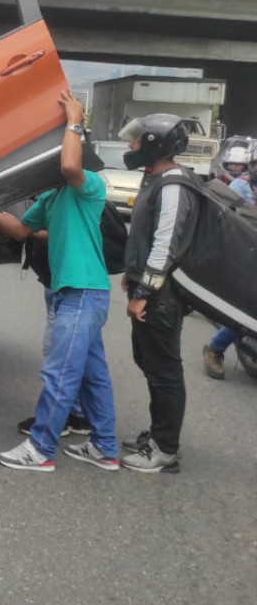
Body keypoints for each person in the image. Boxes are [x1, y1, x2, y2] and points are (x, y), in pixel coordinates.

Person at [0, 91, 119, 472]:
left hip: (84, 291)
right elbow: (18, 230)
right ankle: (105, 448)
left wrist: (73, 121)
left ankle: (41, 449)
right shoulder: (51, 196)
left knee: (61, 372)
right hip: (73, 293)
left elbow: (69, 167)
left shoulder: (90, 184)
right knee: (93, 378)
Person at [118, 113, 199, 473]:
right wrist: (131, 276)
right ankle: (156, 435)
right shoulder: (156, 179)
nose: (131, 146)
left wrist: (143, 293)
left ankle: (165, 448)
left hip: (160, 295)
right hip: (149, 286)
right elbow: (144, 236)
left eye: (137, 140)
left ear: (155, 144)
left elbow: (165, 246)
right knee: (150, 362)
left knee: (164, 369)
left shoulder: (173, 185)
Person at [0, 221, 93, 438]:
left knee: (57, 354)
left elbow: (60, 231)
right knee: (74, 354)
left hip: (67, 287)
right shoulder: (56, 195)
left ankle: (55, 420)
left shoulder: (66, 195)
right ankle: (79, 414)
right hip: (60, 284)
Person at [201, 150, 255, 379]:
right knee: (249, 308)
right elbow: (235, 218)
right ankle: (215, 348)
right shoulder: (241, 188)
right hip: (247, 251)